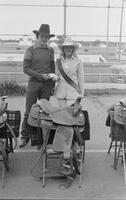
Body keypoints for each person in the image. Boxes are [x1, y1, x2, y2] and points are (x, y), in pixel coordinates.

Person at [53, 36, 85, 188]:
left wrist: (81, 95)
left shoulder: (78, 62)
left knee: (70, 127)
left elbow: (81, 79)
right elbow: (57, 77)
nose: (67, 49)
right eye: (65, 47)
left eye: (70, 47)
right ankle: (63, 156)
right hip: (60, 95)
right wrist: (53, 77)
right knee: (61, 125)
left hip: (73, 95)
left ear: (73, 48)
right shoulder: (58, 61)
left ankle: (71, 158)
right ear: (63, 49)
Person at [19, 24, 56, 148]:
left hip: (47, 84)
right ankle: (24, 136)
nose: (44, 38)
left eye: (46, 37)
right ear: (37, 36)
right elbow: (25, 69)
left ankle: (40, 138)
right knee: (29, 110)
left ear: (48, 38)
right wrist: (40, 76)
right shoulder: (30, 50)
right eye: (42, 36)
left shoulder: (51, 51)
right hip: (34, 83)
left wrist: (53, 85)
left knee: (44, 111)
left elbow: (52, 69)